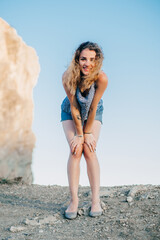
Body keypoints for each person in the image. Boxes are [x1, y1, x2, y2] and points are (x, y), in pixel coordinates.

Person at [61, 41, 108, 219]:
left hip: (93, 112)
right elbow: (73, 106)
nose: (87, 63)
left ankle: (95, 200)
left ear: (97, 62)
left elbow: (94, 106)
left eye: (91, 59)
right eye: (83, 59)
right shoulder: (68, 76)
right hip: (70, 111)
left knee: (89, 149)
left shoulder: (102, 78)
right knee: (75, 150)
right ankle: (74, 200)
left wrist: (87, 134)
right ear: (77, 59)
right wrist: (79, 135)